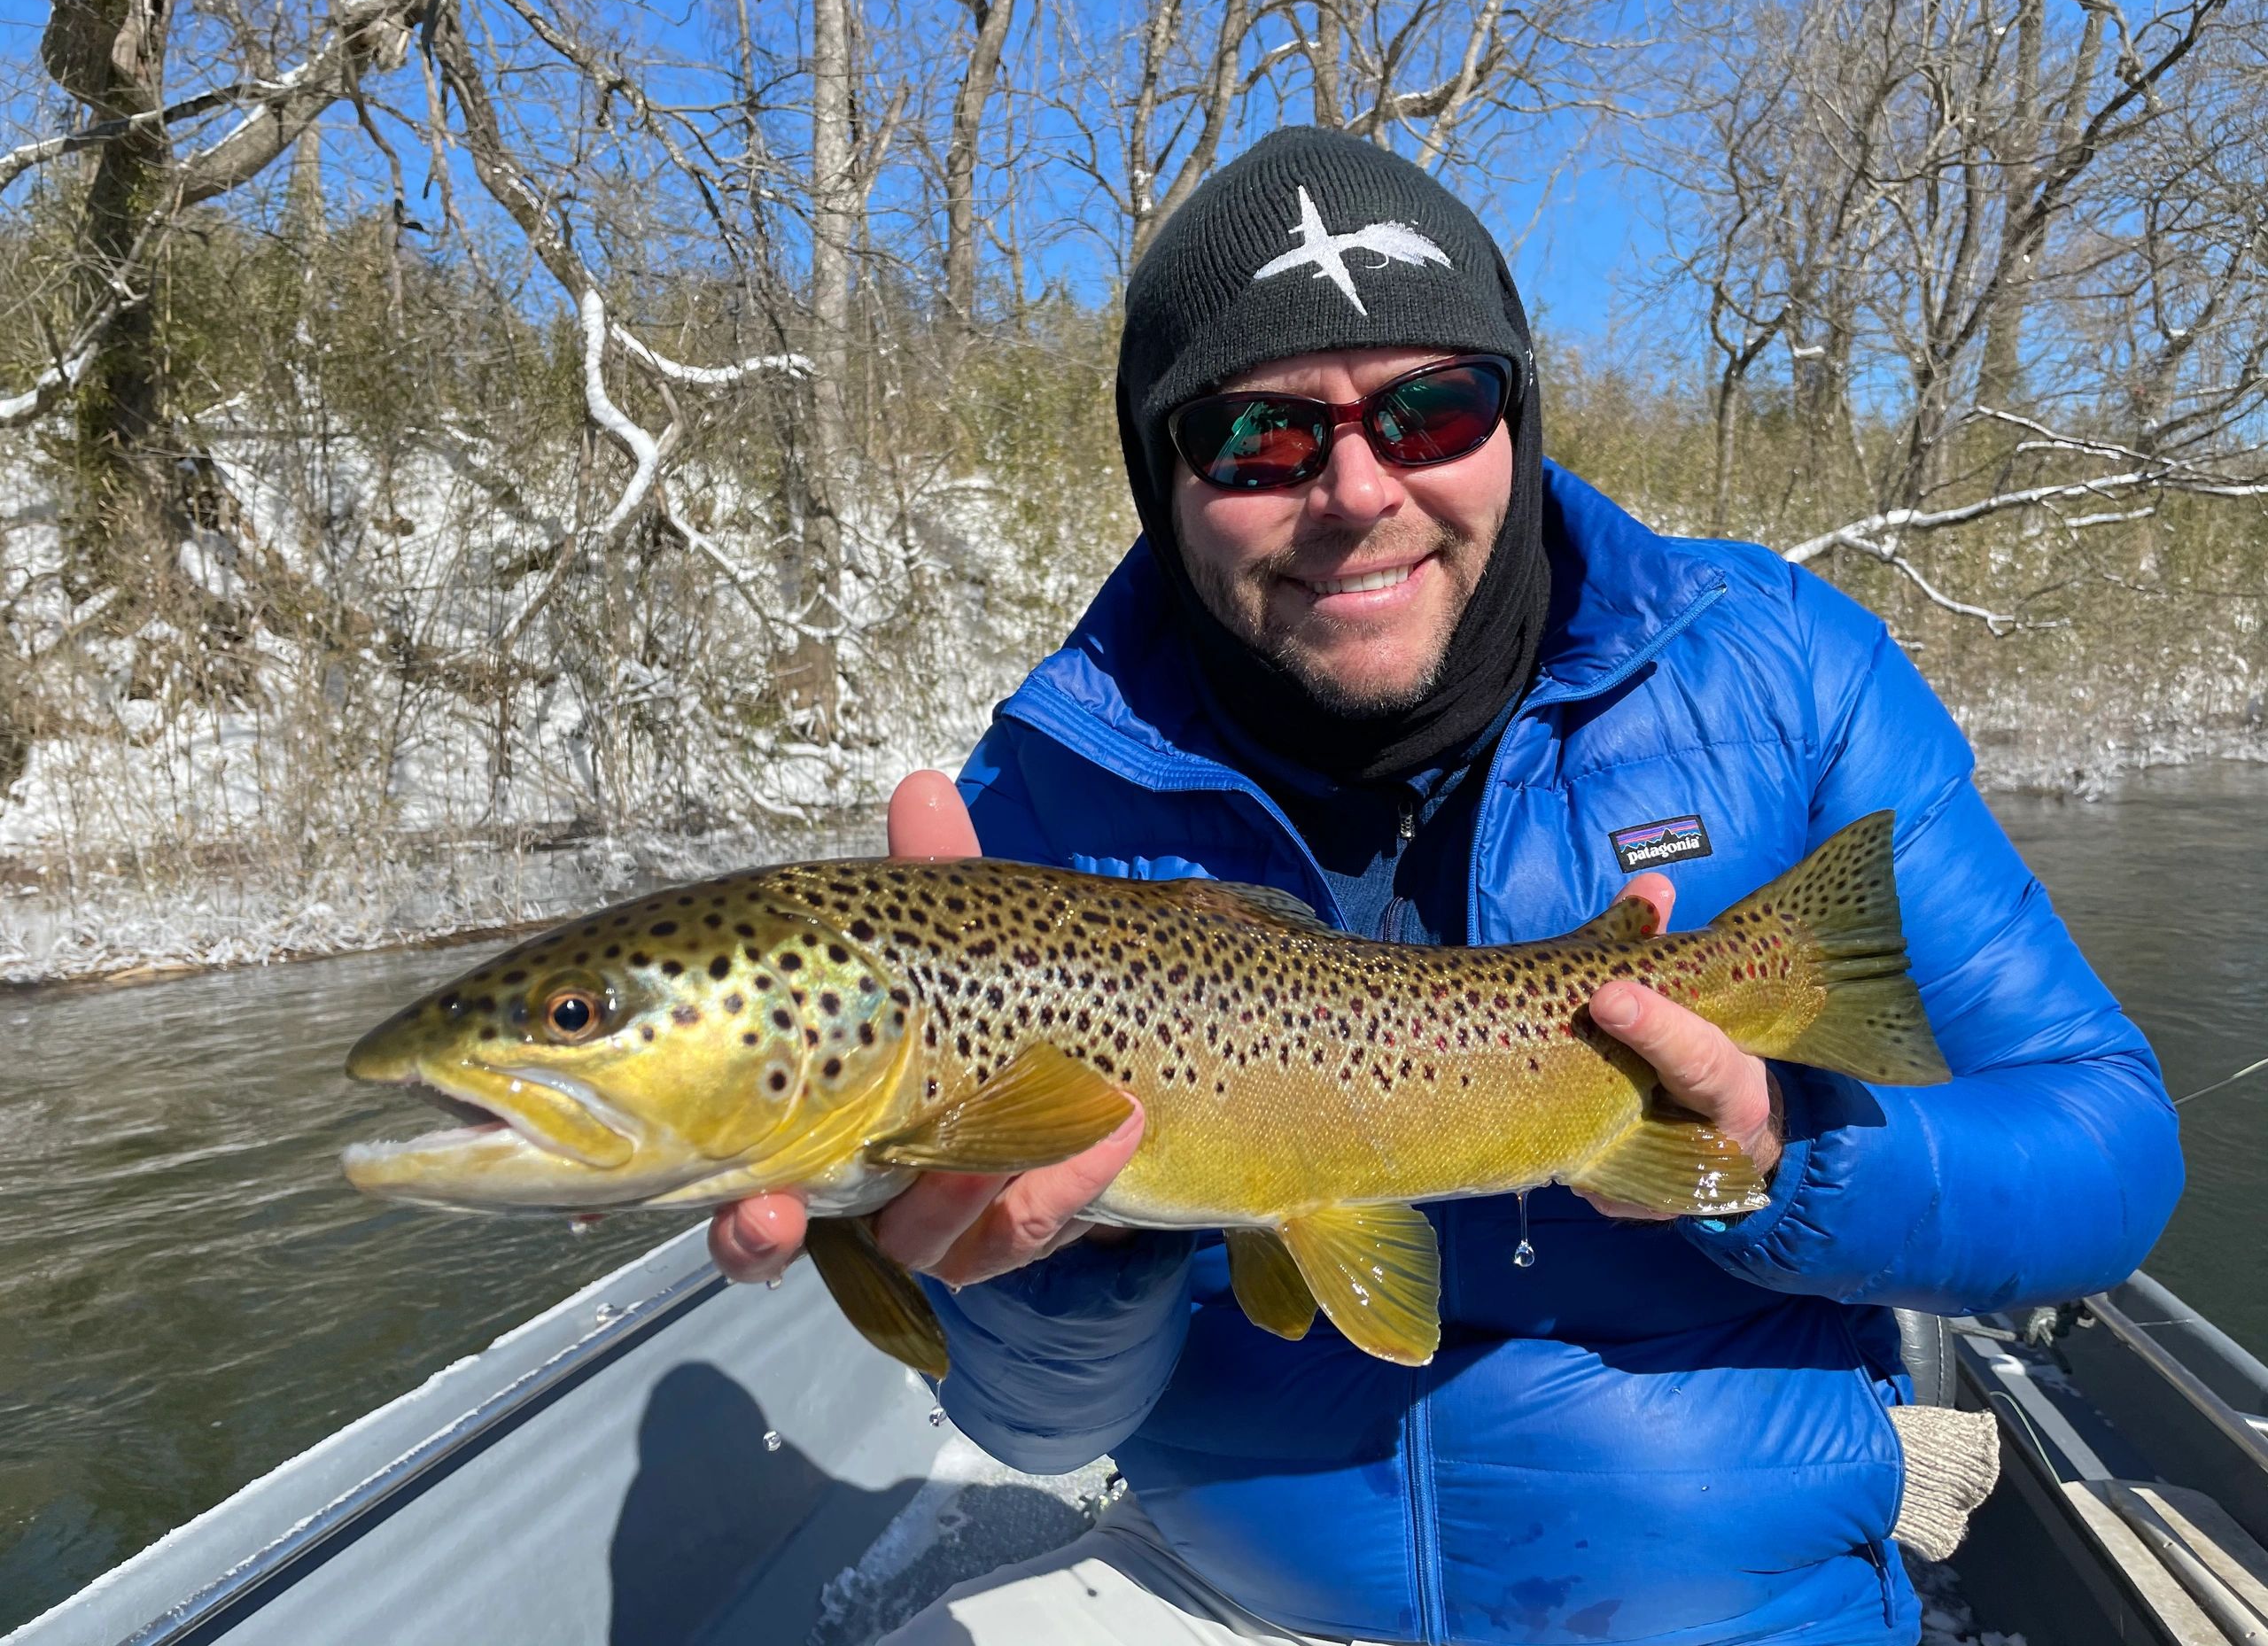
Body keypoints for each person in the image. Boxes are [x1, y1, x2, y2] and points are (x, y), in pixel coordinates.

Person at [708, 128, 2183, 1644]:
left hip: (1737, 1607)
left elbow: (2106, 1149)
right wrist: (1074, 1265)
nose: (1355, 490)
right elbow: (1033, 1429)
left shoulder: (1783, 674)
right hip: (1227, 1597)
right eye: (1259, 436)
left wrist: (1776, 1147)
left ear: (1518, 419)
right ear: (1165, 476)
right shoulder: (1033, 806)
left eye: (1431, 407)